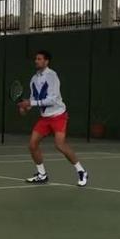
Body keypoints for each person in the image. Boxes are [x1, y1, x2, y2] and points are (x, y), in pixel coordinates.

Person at [17, 50, 88, 186]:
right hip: (44, 118)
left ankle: (81, 171)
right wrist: (25, 107)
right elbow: (33, 99)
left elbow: (52, 99)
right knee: (32, 145)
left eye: (39, 59)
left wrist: (31, 103)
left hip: (58, 115)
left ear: (46, 61)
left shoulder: (52, 76)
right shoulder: (34, 79)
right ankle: (42, 174)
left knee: (60, 145)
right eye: (36, 59)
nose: (36, 61)